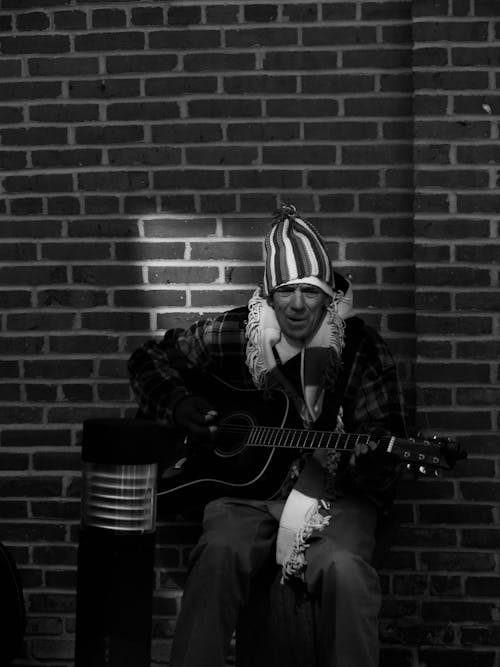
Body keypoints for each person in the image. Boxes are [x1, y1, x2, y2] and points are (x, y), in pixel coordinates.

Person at [128, 203, 407, 667]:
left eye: (310, 292)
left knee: (344, 571)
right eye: (286, 292)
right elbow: (148, 359)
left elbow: (385, 438)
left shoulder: (358, 347)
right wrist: (179, 405)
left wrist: (374, 459)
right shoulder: (238, 332)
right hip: (243, 493)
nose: (297, 305)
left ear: (330, 295)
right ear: (269, 294)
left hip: (333, 493)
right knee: (218, 555)